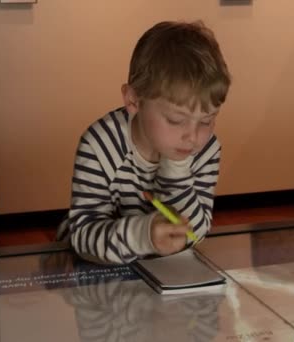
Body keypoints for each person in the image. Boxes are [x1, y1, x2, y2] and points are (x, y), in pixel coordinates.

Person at [58, 20, 231, 264]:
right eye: (175, 119)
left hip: (157, 273)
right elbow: (83, 236)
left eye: (207, 121)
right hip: (94, 271)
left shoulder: (206, 149)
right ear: (134, 101)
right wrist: (143, 236)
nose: (192, 137)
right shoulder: (100, 144)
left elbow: (196, 233)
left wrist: (177, 170)